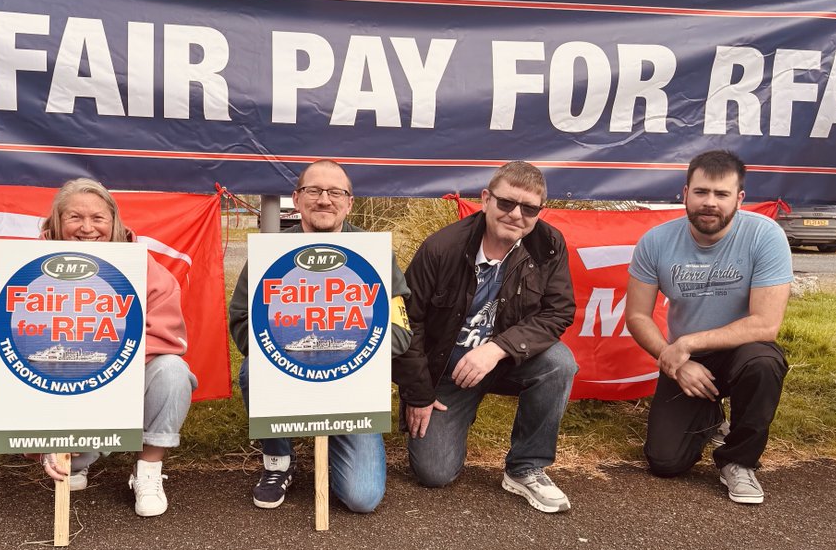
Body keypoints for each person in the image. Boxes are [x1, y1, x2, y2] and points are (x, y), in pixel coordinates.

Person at [228, 159, 412, 513]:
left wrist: (343, 350)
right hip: (286, 372)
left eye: (335, 192)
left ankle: (335, 441)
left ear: (349, 202)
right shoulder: (270, 255)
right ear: (296, 199)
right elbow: (240, 323)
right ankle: (278, 461)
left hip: (353, 385)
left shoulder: (374, 255)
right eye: (314, 190)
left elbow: (401, 331)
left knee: (362, 498)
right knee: (253, 370)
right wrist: (297, 353)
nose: (324, 200)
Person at [394, 161, 577, 513]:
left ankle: (525, 467)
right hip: (448, 373)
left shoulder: (549, 245)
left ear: (540, 211)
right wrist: (418, 393)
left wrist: (498, 348)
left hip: (506, 361)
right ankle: (458, 413)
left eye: (529, 208)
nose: (516, 215)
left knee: (559, 363)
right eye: (506, 203)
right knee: (434, 473)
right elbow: (407, 322)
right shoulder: (441, 248)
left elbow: (558, 312)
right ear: (485, 199)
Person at [625, 150, 791, 505]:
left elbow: (766, 324)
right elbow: (637, 316)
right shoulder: (655, 241)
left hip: (743, 351)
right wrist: (678, 362)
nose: (710, 203)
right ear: (684, 193)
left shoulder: (766, 235)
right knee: (665, 462)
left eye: (721, 194)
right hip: (687, 361)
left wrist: (687, 342)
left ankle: (738, 461)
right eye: (701, 192)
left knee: (764, 362)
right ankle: (711, 416)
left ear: (739, 198)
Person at [33, 178, 197, 518]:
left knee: (172, 371)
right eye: (75, 217)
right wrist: (39, 437)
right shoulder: (27, 268)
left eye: (98, 218)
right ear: (57, 222)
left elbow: (166, 337)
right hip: (63, 381)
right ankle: (76, 460)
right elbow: (14, 347)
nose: (87, 228)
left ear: (114, 221)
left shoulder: (145, 267)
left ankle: (148, 470)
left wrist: (109, 365)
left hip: (127, 372)